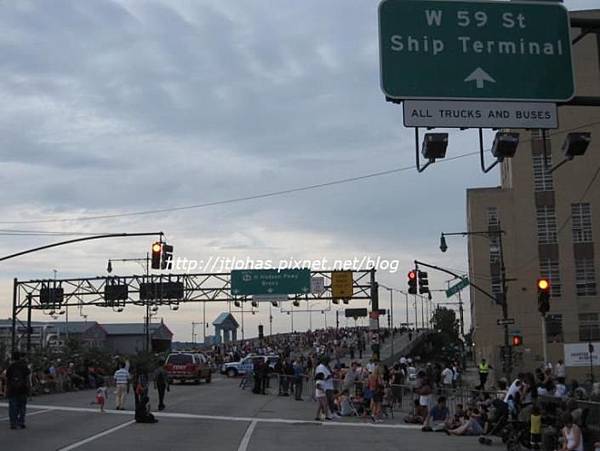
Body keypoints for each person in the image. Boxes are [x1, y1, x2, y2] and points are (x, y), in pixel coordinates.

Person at [6, 352, 30, 430]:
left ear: (12, 358)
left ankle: (13, 423)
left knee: (13, 407)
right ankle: (21, 422)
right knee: (22, 406)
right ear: (19, 357)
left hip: (12, 389)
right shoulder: (24, 366)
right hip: (22, 389)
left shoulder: (10, 367)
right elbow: (27, 377)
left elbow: (7, 378)